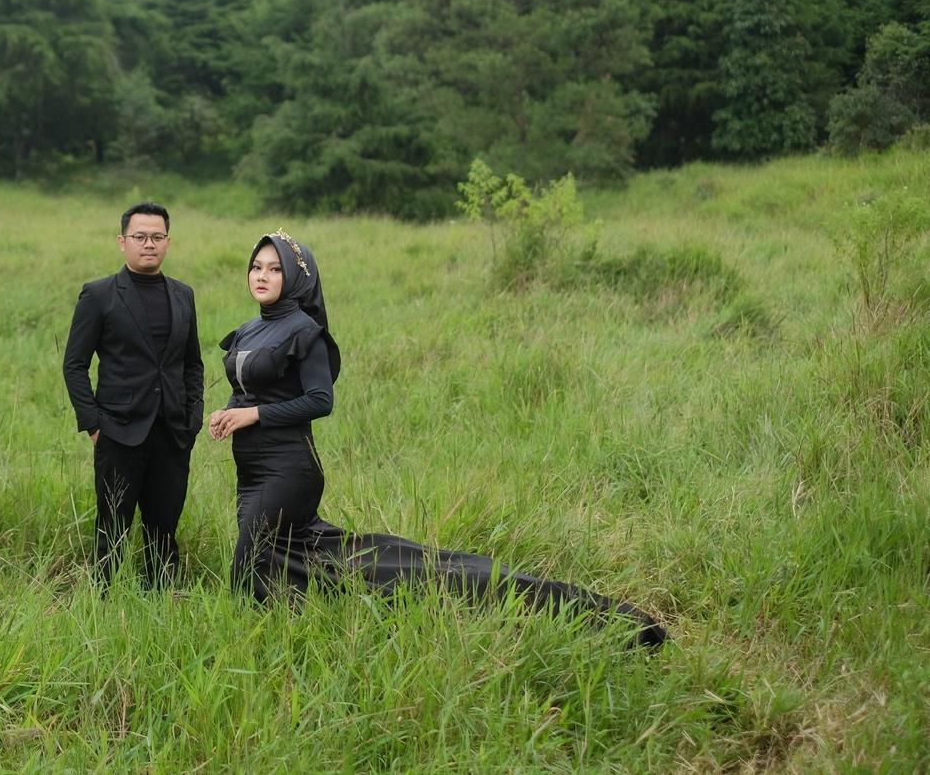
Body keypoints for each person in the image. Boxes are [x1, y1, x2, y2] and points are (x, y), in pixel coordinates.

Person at [208, 229, 667, 649]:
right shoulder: (251, 328)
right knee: (304, 564)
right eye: (256, 266)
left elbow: (319, 401)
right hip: (251, 472)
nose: (262, 275)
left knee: (249, 568)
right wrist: (230, 410)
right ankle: (309, 632)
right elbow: (253, 386)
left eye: (274, 268)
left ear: (294, 279)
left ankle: (592, 619)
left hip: (288, 469)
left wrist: (254, 414)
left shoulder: (305, 332)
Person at [64, 202, 204, 588]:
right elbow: (74, 365)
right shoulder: (99, 295)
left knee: (164, 529)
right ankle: (105, 603)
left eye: (157, 237)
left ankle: (160, 600)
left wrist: (193, 419)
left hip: (172, 432)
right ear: (122, 242)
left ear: (168, 242)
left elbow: (192, 363)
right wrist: (93, 424)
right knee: (112, 528)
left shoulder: (183, 295)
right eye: (140, 237)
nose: (149, 244)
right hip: (118, 432)